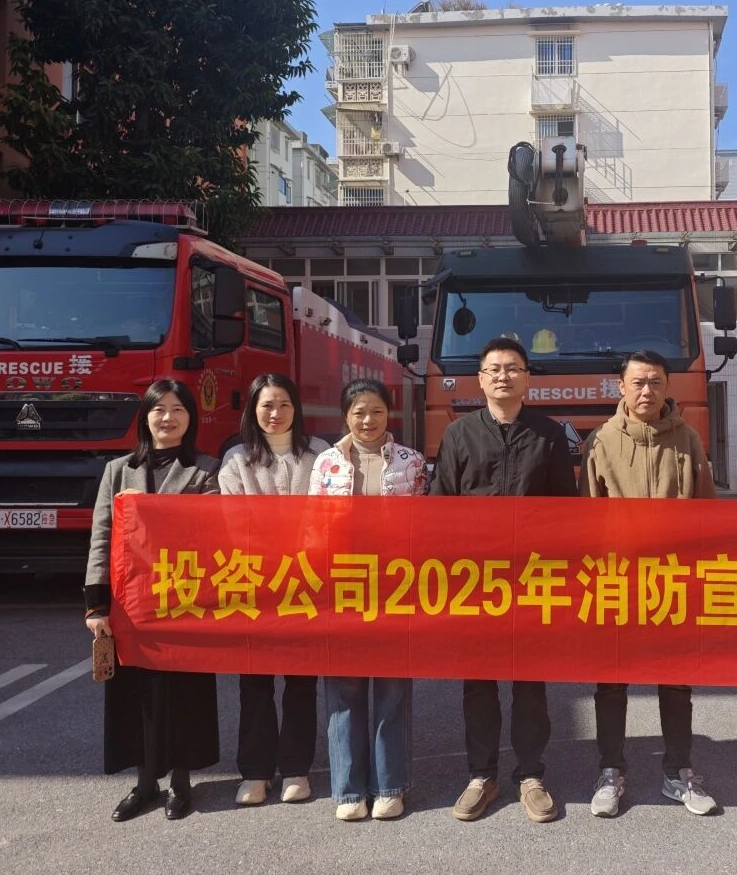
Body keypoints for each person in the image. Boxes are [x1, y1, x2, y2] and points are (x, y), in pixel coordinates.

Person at [429, 337, 577, 823]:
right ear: (480, 379)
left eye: (513, 368)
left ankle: (531, 774)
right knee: (479, 682)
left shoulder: (549, 434)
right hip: (476, 578)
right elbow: (440, 508)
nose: (503, 376)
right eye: (494, 369)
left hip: (532, 577)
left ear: (527, 378)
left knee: (530, 680)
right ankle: (482, 776)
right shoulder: (459, 434)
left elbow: (566, 510)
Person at [579, 349, 718, 818]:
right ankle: (610, 771)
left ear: (667, 387)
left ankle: (679, 772)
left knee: (676, 681)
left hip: (672, 578)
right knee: (611, 681)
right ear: (621, 387)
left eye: (655, 382)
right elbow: (586, 517)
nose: (646, 390)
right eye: (637, 382)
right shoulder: (601, 441)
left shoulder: (688, 439)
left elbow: (706, 510)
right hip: (616, 579)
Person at [84, 378, 220, 822]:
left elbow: (210, 531)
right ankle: (145, 783)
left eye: (178, 409)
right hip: (130, 602)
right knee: (137, 693)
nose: (168, 418)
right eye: (159, 409)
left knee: (183, 692)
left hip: (184, 596)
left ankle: (180, 782)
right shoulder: (117, 470)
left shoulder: (206, 469)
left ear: (190, 418)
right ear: (145, 417)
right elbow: (101, 537)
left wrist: (150, 510)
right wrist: (96, 605)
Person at [310, 379, 427, 821]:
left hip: (395, 586)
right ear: (345, 415)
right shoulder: (326, 462)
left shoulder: (411, 462)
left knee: (392, 688)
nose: (368, 420)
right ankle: (348, 791)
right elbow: (312, 525)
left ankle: (390, 786)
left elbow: (427, 524)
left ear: (388, 414)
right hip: (341, 585)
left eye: (376, 411)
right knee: (344, 687)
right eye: (359, 412)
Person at [218, 374, 328, 808]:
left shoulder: (319, 454)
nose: (276, 413)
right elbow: (232, 522)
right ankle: (256, 771)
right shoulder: (236, 460)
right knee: (255, 682)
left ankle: (297, 769)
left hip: (305, 582)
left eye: (284, 404)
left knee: (301, 682)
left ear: (296, 408)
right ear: (253, 410)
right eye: (266, 405)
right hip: (255, 585)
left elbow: (328, 515)